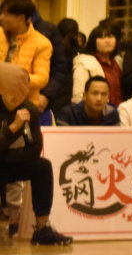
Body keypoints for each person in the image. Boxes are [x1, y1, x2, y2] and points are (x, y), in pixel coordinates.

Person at [0, 90, 73, 244]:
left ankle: (42, 229)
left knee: (43, 167)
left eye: (22, 88)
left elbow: (35, 149)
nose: (17, 93)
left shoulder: (29, 109)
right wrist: (13, 127)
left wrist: (7, 157)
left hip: (8, 163)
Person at [0, 0, 52, 110]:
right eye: (1, 13)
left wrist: (17, 78)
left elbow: (42, 78)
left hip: (24, 102)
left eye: (6, 14)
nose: (1, 17)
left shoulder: (42, 43)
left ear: (21, 18)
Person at [72, 22, 123, 105]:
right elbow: (78, 97)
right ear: (93, 41)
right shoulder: (85, 63)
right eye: (102, 37)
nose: (107, 41)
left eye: (110, 37)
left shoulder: (119, 62)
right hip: (97, 110)